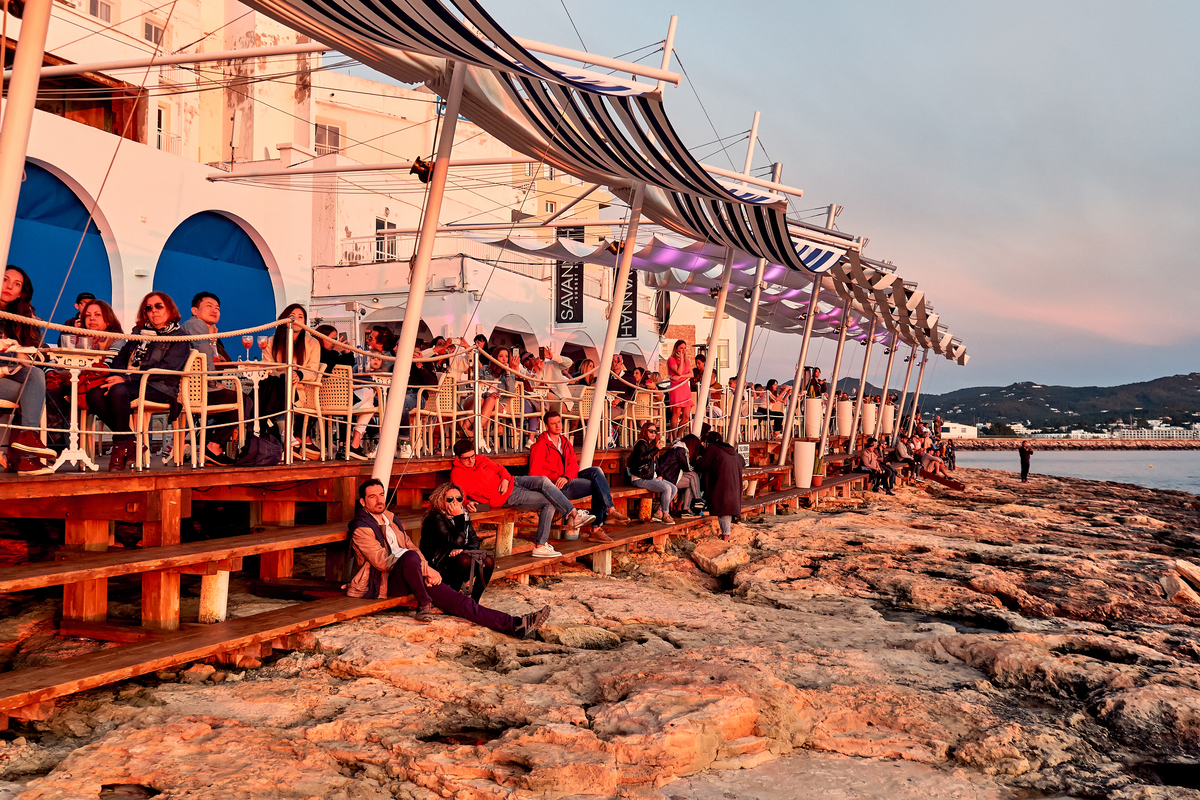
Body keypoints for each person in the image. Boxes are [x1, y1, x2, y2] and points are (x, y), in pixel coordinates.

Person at [347, 479, 550, 638]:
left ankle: (516, 625)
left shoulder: (391, 519)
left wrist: (423, 568)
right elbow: (383, 561)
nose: (379, 499)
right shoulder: (361, 527)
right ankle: (425, 603)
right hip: (385, 581)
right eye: (372, 497)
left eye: (381, 494)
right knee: (409, 558)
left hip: (414, 573)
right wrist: (426, 570)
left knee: (461, 602)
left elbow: (412, 547)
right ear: (363, 502)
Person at [86, 291, 191, 471]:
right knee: (95, 393)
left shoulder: (180, 337)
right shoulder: (139, 334)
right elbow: (121, 358)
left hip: (161, 387)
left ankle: (119, 449)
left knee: (120, 391)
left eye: (158, 306)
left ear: (169, 309)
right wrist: (115, 374)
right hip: (132, 382)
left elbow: (167, 369)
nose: (154, 311)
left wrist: (126, 377)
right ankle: (132, 443)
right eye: (148, 308)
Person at [450, 439, 593, 558]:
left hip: (513, 481)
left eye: (472, 456)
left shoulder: (481, 459)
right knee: (548, 503)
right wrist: (468, 502)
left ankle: (574, 514)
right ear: (458, 457)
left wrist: (505, 479)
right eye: (466, 458)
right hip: (506, 497)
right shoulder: (457, 474)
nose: (471, 460)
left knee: (543, 480)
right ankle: (540, 546)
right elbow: (460, 496)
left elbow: (501, 470)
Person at [529, 410, 629, 543]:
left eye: (559, 422)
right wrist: (555, 479)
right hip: (555, 487)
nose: (558, 426)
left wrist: (566, 477)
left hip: (568, 479)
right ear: (546, 426)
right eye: (553, 424)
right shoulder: (540, 446)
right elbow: (534, 474)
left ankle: (610, 510)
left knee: (597, 471)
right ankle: (596, 529)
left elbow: (573, 465)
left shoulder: (564, 442)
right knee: (596, 486)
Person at [180, 291, 248, 465]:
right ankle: (212, 446)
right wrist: (215, 383)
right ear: (194, 310)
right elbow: (204, 360)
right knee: (242, 400)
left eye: (217, 307)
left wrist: (212, 341)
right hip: (195, 390)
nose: (214, 310)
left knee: (241, 398)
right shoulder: (196, 325)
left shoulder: (210, 334)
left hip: (199, 388)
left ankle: (206, 443)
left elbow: (222, 362)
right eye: (208, 306)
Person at [0, 266, 54, 473]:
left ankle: (27, 443)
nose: (9, 287)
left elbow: (38, 353)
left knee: (36, 375)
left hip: (11, 374)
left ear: (22, 293)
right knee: (32, 393)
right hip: (9, 372)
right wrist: (16, 356)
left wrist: (20, 357)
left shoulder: (23, 317)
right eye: (5, 280)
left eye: (17, 284)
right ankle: (26, 458)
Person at [259, 304, 321, 449]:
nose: (296, 319)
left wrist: (298, 374)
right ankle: (284, 432)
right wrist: (285, 374)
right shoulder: (271, 342)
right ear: (283, 319)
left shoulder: (312, 343)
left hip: (299, 392)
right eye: (292, 316)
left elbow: (313, 372)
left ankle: (270, 433)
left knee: (269, 391)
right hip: (276, 387)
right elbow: (267, 367)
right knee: (275, 382)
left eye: (300, 317)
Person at [420, 482, 494, 602]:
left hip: (456, 561)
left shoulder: (463, 515)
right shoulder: (435, 518)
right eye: (450, 499)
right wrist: (458, 518)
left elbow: (474, 540)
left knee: (488, 561)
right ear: (440, 501)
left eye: (458, 499)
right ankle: (452, 601)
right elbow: (455, 542)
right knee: (464, 560)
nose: (455, 503)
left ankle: (474, 601)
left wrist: (464, 550)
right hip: (438, 566)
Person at [696, 430, 744, 540]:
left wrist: (698, 460)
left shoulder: (714, 449)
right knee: (726, 510)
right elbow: (742, 461)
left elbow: (703, 465)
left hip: (720, 482)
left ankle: (726, 535)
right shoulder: (730, 449)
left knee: (723, 509)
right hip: (734, 483)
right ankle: (726, 534)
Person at [627, 421, 676, 524]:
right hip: (640, 478)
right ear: (645, 431)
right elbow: (642, 459)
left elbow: (655, 464)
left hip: (648, 477)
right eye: (651, 431)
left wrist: (660, 475)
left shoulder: (648, 445)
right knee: (667, 488)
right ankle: (665, 514)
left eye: (655, 431)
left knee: (674, 488)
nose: (654, 433)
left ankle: (658, 512)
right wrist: (656, 449)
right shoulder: (641, 444)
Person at [657, 433, 703, 516]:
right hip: (668, 477)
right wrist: (696, 461)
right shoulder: (681, 450)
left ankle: (687, 509)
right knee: (693, 475)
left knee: (692, 483)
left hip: (670, 475)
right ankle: (697, 500)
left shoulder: (678, 448)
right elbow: (687, 468)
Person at [665, 340, 694, 436]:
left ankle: (679, 435)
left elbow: (691, 374)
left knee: (686, 416)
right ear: (676, 349)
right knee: (676, 413)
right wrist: (681, 359)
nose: (683, 350)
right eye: (681, 348)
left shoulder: (687, 361)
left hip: (685, 388)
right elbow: (679, 371)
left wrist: (680, 377)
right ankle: (674, 437)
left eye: (684, 348)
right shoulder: (671, 360)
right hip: (676, 388)